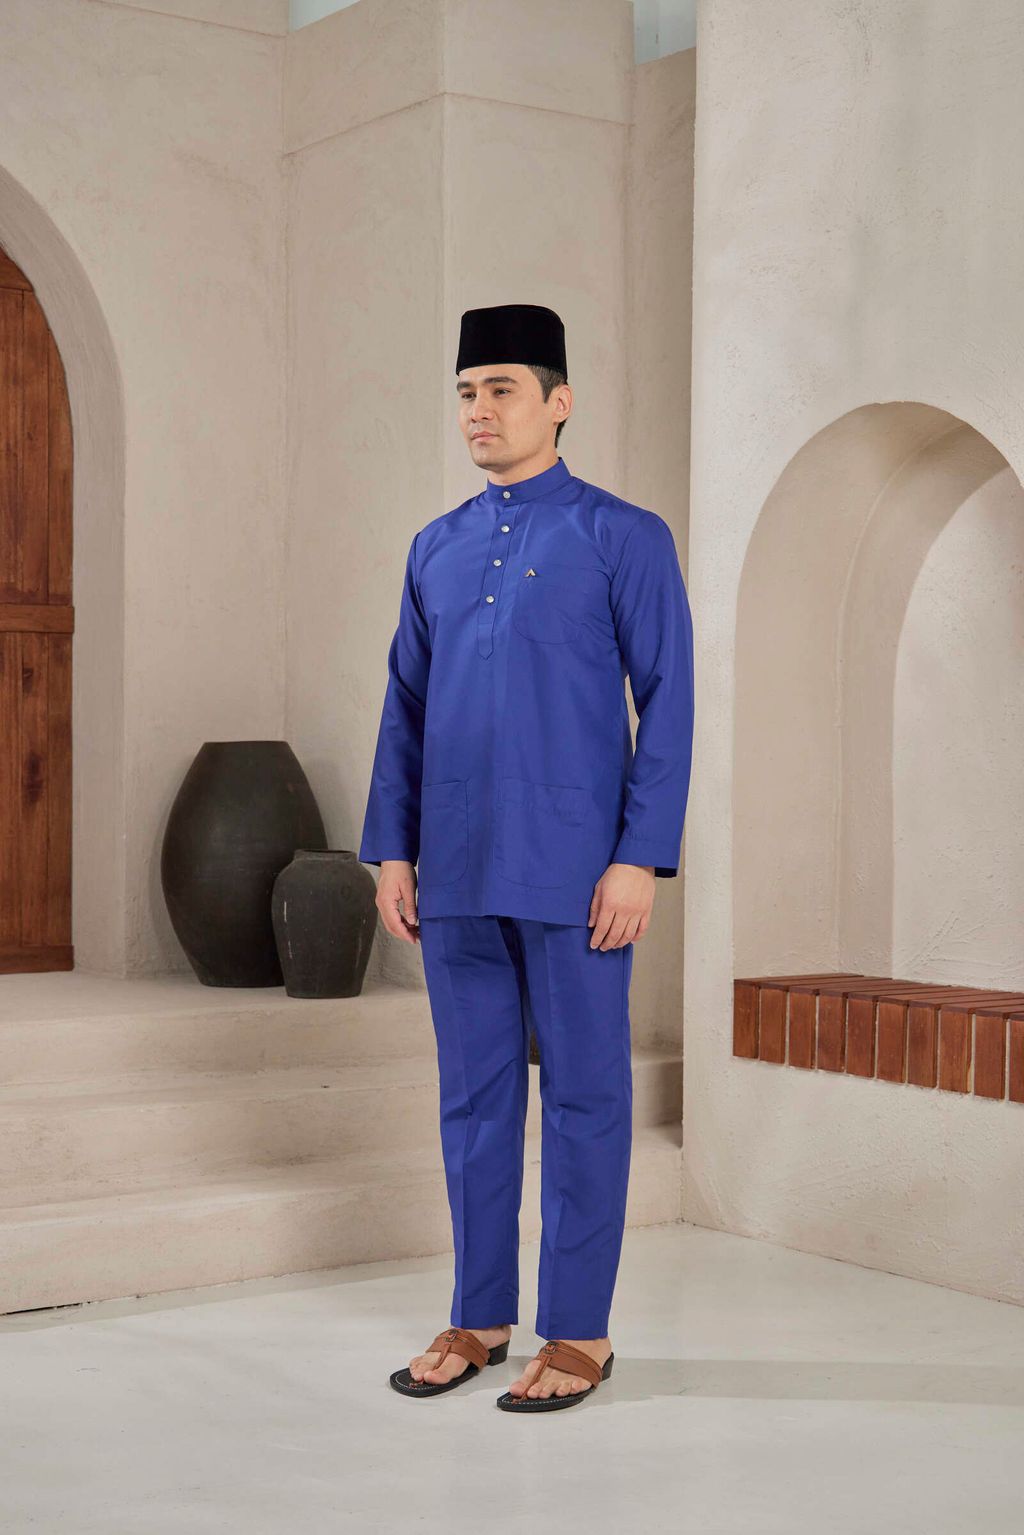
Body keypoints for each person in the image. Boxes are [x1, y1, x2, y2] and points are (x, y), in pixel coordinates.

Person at [358, 302, 694, 1411]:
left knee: (588, 1097)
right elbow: (405, 707)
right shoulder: (436, 546)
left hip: (578, 872)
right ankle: (480, 1314)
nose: (478, 410)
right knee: (474, 1100)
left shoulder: (623, 535)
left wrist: (639, 857)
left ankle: (580, 1329)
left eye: (500, 388)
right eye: (466, 391)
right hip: (455, 867)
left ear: (559, 401)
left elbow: (670, 701)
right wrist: (392, 851)